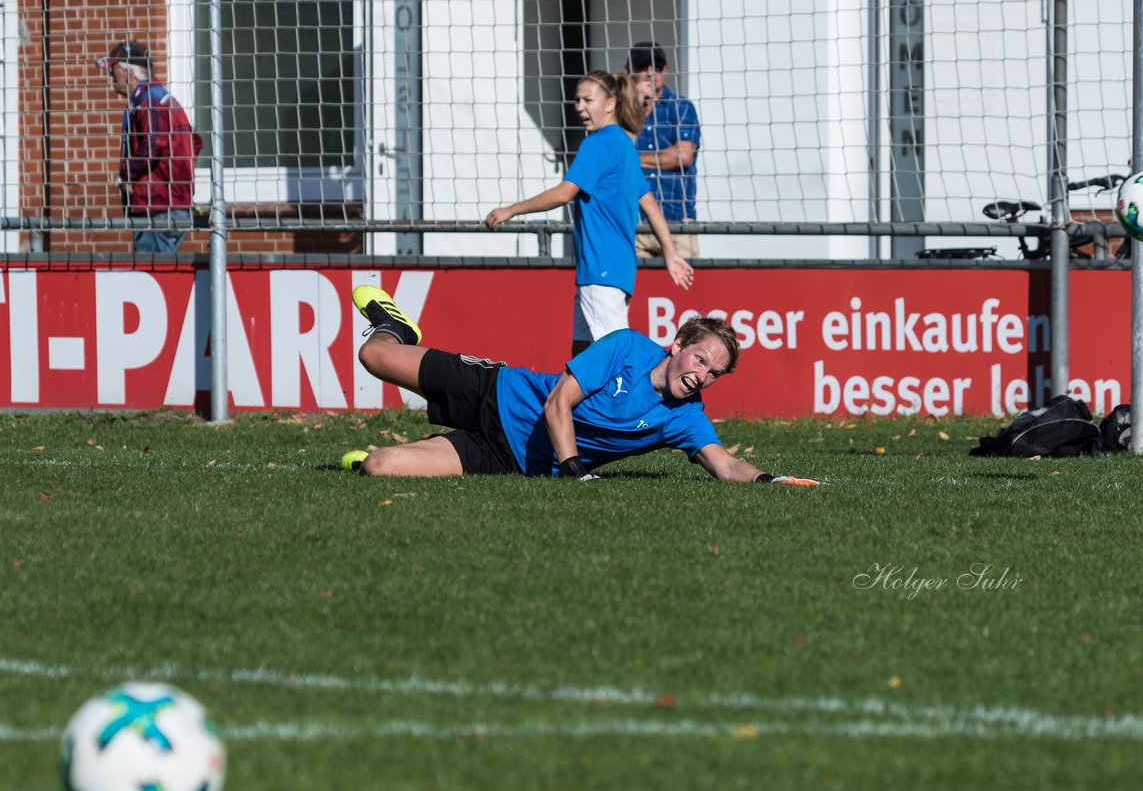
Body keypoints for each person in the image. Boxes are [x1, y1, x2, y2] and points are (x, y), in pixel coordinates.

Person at [344, 284, 820, 485]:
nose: (703, 376)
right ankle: (397, 326)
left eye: (714, 374)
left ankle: (383, 452)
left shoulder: (686, 417)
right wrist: (573, 469)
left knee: (380, 468)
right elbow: (558, 402)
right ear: (677, 344)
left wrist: (769, 480)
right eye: (701, 359)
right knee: (374, 356)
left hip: (506, 458)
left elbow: (726, 464)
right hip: (496, 391)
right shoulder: (629, 347)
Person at [486, 69, 692, 356]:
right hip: (614, 269)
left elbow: (564, 193)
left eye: (587, 99)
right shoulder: (624, 143)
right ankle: (568, 402)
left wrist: (511, 209)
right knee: (582, 352)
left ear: (610, 104)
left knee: (612, 359)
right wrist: (670, 253)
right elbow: (650, 205)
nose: (579, 107)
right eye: (577, 100)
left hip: (601, 268)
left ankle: (630, 402)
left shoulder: (597, 143)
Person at [96, 39, 203, 253]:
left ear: (129, 72)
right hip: (172, 205)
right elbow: (194, 142)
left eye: (113, 69)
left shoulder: (148, 101)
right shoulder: (161, 99)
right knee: (165, 276)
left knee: (151, 274)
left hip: (158, 208)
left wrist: (127, 174)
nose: (110, 76)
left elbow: (154, 142)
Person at [625, 42, 701, 260]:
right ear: (628, 69)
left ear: (665, 70)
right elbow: (616, 153)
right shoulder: (620, 111)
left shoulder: (681, 107)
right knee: (633, 291)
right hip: (634, 222)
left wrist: (631, 160)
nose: (650, 73)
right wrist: (636, 106)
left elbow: (683, 156)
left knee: (685, 290)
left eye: (656, 67)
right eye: (642, 66)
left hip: (676, 220)